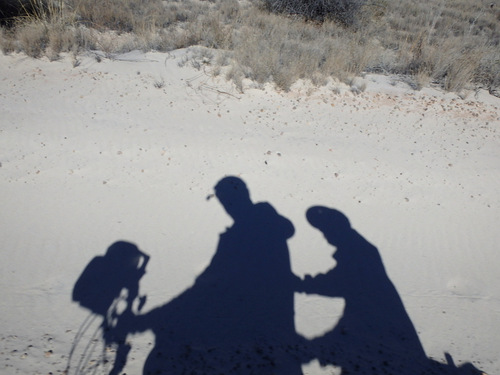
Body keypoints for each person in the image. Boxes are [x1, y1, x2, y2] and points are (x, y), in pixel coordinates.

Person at [300, 206, 428, 374]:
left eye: (325, 231)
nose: (325, 237)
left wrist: (300, 284)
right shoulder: (358, 250)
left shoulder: (358, 253)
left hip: (383, 340)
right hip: (382, 336)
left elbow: (340, 282)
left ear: (335, 229)